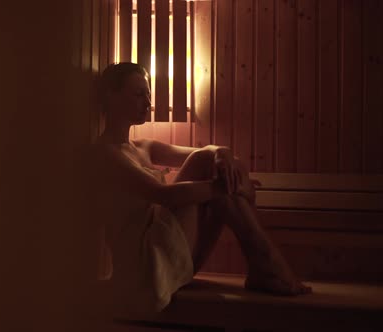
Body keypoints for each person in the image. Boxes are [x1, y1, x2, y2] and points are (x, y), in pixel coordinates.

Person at [89, 62, 311, 314]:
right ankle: (268, 264)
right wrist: (228, 188)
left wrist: (222, 155)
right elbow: (164, 195)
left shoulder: (143, 147)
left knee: (210, 162)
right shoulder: (105, 154)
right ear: (111, 96)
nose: (147, 102)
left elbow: (213, 156)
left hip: (170, 258)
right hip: (143, 270)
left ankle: (265, 264)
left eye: (148, 94)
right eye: (139, 94)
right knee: (206, 171)